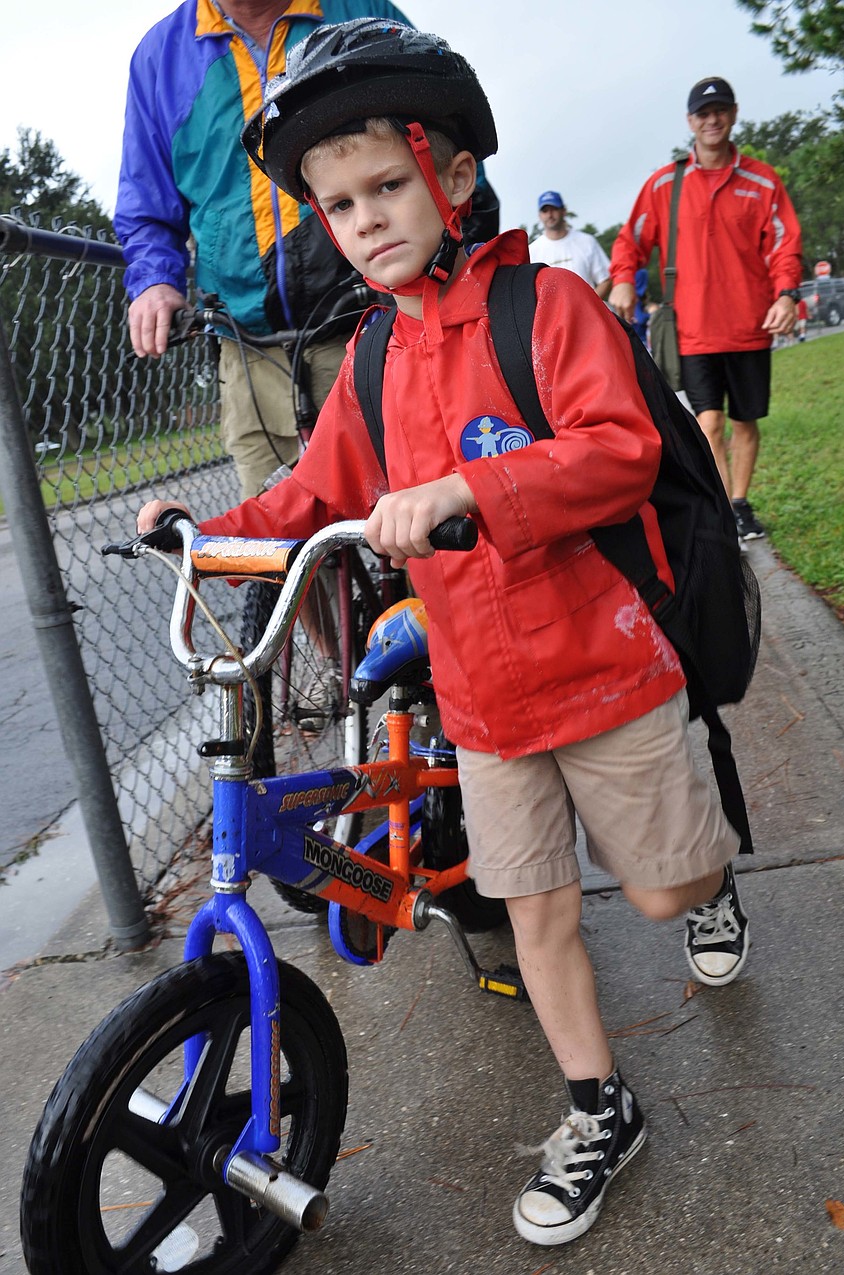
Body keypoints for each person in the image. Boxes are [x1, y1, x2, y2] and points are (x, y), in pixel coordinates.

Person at [138, 21, 750, 1248]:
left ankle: (714, 881)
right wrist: (203, 532)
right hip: (485, 702)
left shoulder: (546, 305)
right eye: (336, 205)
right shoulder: (367, 359)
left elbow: (620, 451)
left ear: (453, 178)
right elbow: (309, 495)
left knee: (663, 884)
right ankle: (597, 1105)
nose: (362, 220)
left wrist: (476, 489)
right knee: (535, 916)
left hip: (605, 672)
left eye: (384, 187)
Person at [114, 0, 499, 501]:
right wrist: (153, 279)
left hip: (377, 315)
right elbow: (144, 194)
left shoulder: (359, 8)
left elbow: (442, 134)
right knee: (273, 540)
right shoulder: (158, 58)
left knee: (428, 504)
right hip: (248, 337)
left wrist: (468, 261)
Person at [609, 77, 803, 543]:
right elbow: (630, 240)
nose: (711, 120)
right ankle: (721, 506)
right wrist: (621, 281)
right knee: (709, 422)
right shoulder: (664, 184)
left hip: (751, 326)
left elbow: (785, 245)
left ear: (733, 114)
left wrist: (786, 294)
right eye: (702, 112)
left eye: (720, 111)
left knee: (744, 422)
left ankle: (740, 502)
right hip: (692, 331)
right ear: (690, 121)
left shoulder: (762, 180)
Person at [529, 191, 611, 298]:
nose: (550, 214)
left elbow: (605, 279)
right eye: (545, 211)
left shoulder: (587, 241)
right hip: (551, 315)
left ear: (563, 211)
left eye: (554, 209)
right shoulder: (532, 251)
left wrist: (587, 307)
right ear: (539, 216)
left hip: (587, 312)